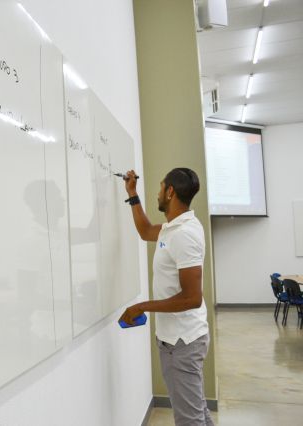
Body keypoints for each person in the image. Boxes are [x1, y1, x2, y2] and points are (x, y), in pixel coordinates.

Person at [119, 168, 213, 426]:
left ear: (170, 192)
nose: (158, 193)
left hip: (182, 343)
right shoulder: (173, 228)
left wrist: (142, 306)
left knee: (190, 420)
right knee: (198, 412)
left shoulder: (184, 234)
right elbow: (146, 231)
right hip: (180, 340)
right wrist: (132, 194)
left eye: (161, 187)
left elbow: (192, 297)